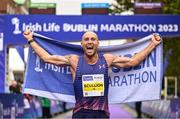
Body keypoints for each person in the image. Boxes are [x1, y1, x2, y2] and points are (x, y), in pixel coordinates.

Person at [23, 30, 162, 118]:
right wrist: (30, 40)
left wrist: (152, 44)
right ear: (82, 44)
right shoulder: (74, 61)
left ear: (97, 43)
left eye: (92, 39)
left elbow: (133, 61)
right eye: (86, 39)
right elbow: (47, 58)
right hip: (80, 113)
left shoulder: (107, 59)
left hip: (101, 114)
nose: (90, 42)